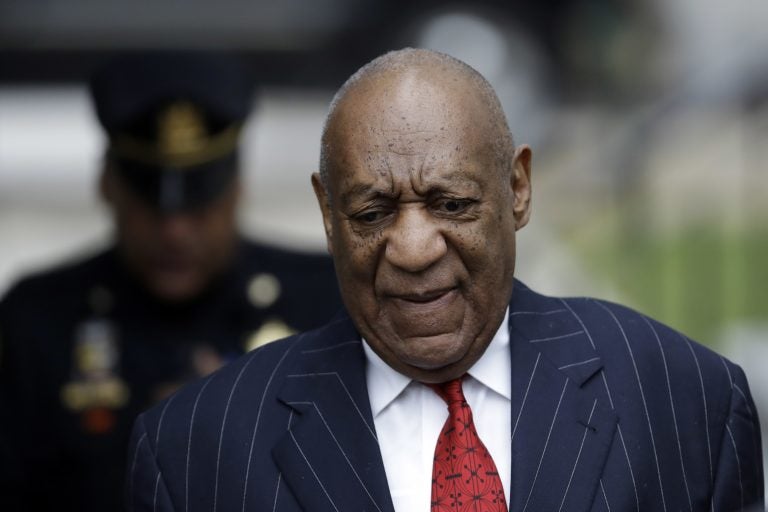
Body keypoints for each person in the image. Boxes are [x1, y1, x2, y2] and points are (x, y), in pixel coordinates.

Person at [124, 48, 764, 511]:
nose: (411, 248)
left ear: (517, 188)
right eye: (372, 214)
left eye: (451, 204)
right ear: (327, 213)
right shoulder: (196, 450)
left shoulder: (683, 402)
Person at [0, 52, 342, 512]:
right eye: (151, 206)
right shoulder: (38, 320)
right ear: (106, 186)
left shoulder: (323, 301)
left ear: (237, 187)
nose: (176, 233)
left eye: (199, 206)